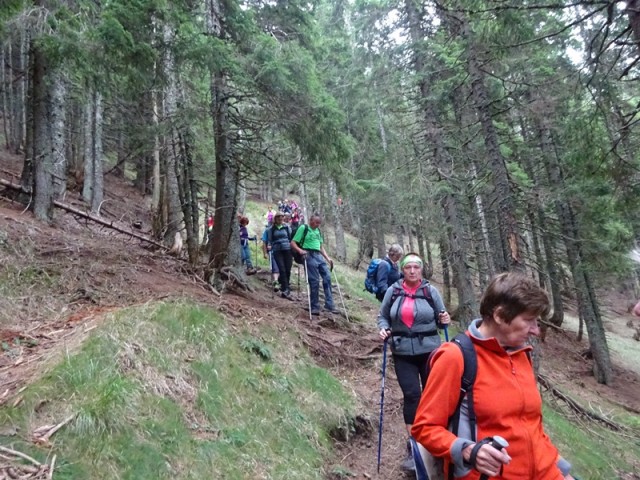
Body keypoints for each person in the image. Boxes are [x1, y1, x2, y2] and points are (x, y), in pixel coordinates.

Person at [411, 272, 576, 480]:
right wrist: (469, 451)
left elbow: (531, 424)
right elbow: (425, 428)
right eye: (529, 320)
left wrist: (558, 470)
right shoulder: (456, 357)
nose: (536, 330)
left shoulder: (521, 355)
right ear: (499, 315)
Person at [377, 253, 451, 471]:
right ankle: (415, 445)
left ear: (421, 270)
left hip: (430, 351)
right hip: (402, 351)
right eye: (408, 267)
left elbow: (441, 316)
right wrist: (383, 328)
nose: (411, 271)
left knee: (432, 394)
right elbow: (383, 316)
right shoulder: (393, 291)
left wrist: (444, 319)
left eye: (415, 268)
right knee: (411, 395)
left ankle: (436, 440)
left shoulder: (430, 291)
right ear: (402, 269)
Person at [291, 214, 337, 315]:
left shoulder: (318, 231)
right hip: (308, 254)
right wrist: (300, 251)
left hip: (318, 255)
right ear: (311, 220)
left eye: (319, 223)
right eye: (316, 223)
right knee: (314, 280)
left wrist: (328, 259)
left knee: (327, 278)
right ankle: (314, 306)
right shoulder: (304, 228)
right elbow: (293, 242)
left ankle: (330, 305)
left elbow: (320, 246)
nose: (317, 225)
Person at [266, 212, 294, 300]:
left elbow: (290, 238)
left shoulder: (287, 227)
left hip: (287, 249)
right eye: (279, 217)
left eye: (282, 217)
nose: (280, 219)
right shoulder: (271, 229)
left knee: (288, 269)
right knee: (282, 269)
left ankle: (283, 284)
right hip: (277, 250)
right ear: (276, 218)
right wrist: (269, 246)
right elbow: (269, 240)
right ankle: (286, 289)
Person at [262, 225, 280, 291]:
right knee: (275, 266)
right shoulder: (267, 230)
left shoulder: (283, 228)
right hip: (272, 252)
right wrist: (265, 253)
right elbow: (264, 242)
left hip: (281, 251)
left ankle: (280, 283)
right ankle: (276, 282)